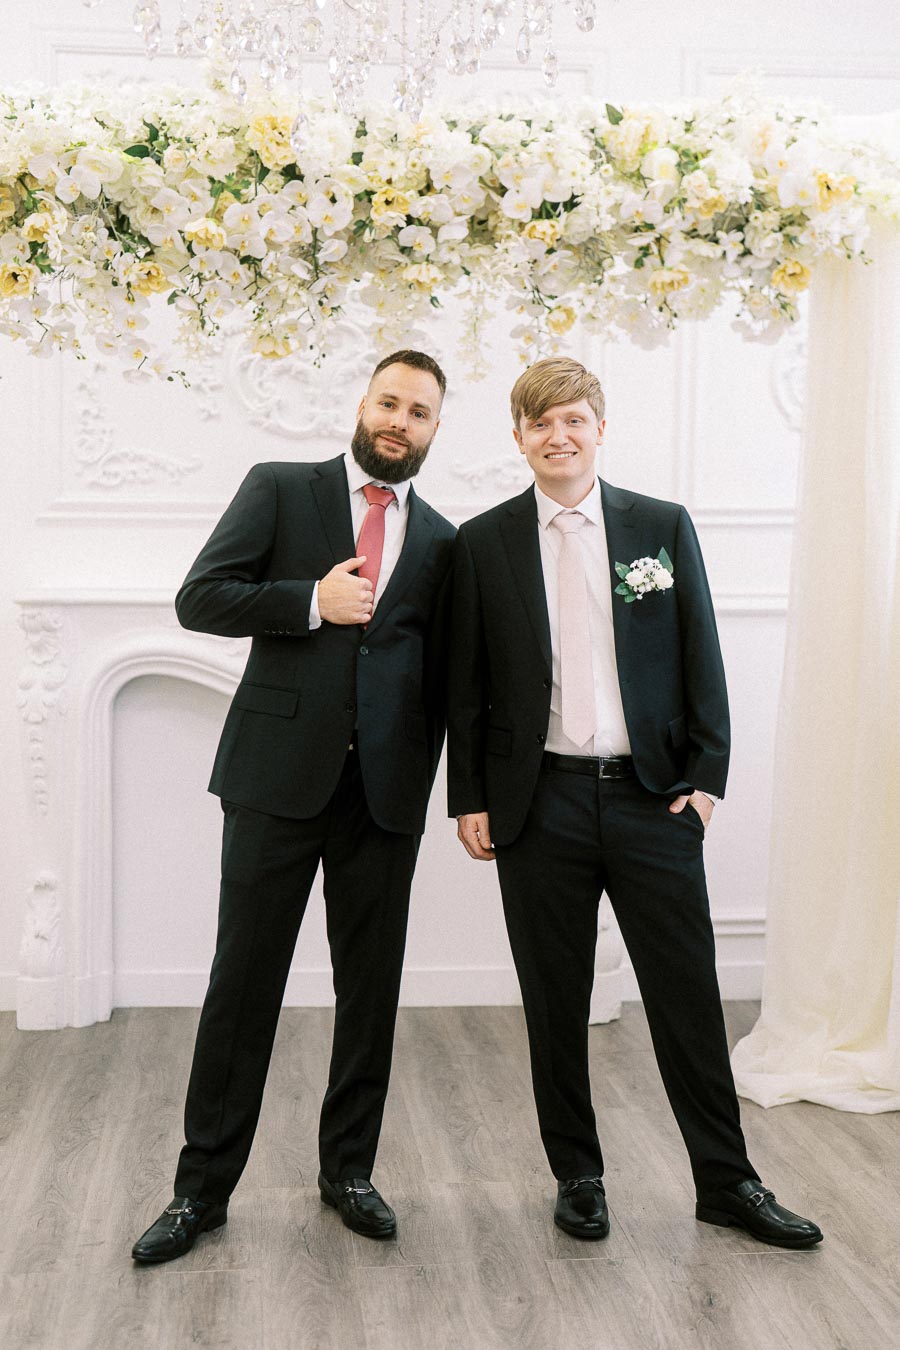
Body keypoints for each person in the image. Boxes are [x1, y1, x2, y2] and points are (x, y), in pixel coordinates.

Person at [447, 356, 822, 1249]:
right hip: (540, 805)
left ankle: (727, 1181)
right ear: (518, 438)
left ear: (600, 429)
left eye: (573, 419)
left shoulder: (660, 526)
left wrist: (705, 780)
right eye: (539, 423)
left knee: (688, 996)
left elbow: (702, 653)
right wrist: (470, 796)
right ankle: (578, 1176)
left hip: (655, 801)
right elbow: (466, 685)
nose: (558, 436)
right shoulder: (483, 541)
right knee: (555, 997)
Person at [132, 350, 455, 1263]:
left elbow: (446, 677)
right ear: (362, 404)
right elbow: (201, 598)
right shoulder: (280, 487)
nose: (399, 420)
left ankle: (349, 1171)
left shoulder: (442, 539)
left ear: (436, 430)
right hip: (275, 782)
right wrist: (308, 601)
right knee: (243, 986)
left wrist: (458, 790)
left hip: (383, 798)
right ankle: (201, 1192)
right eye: (389, 402)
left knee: (370, 993)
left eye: (420, 412)